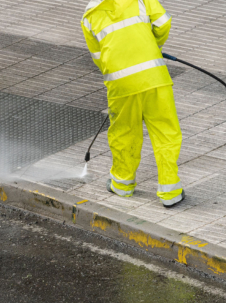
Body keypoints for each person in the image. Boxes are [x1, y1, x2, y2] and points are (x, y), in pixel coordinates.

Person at [81, 0, 185, 207]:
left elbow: (99, 56)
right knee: (165, 132)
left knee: (124, 132)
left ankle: (122, 184)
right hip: (154, 77)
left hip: (120, 84)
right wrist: (154, 46)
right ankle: (170, 191)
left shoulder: (89, 16)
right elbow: (163, 23)